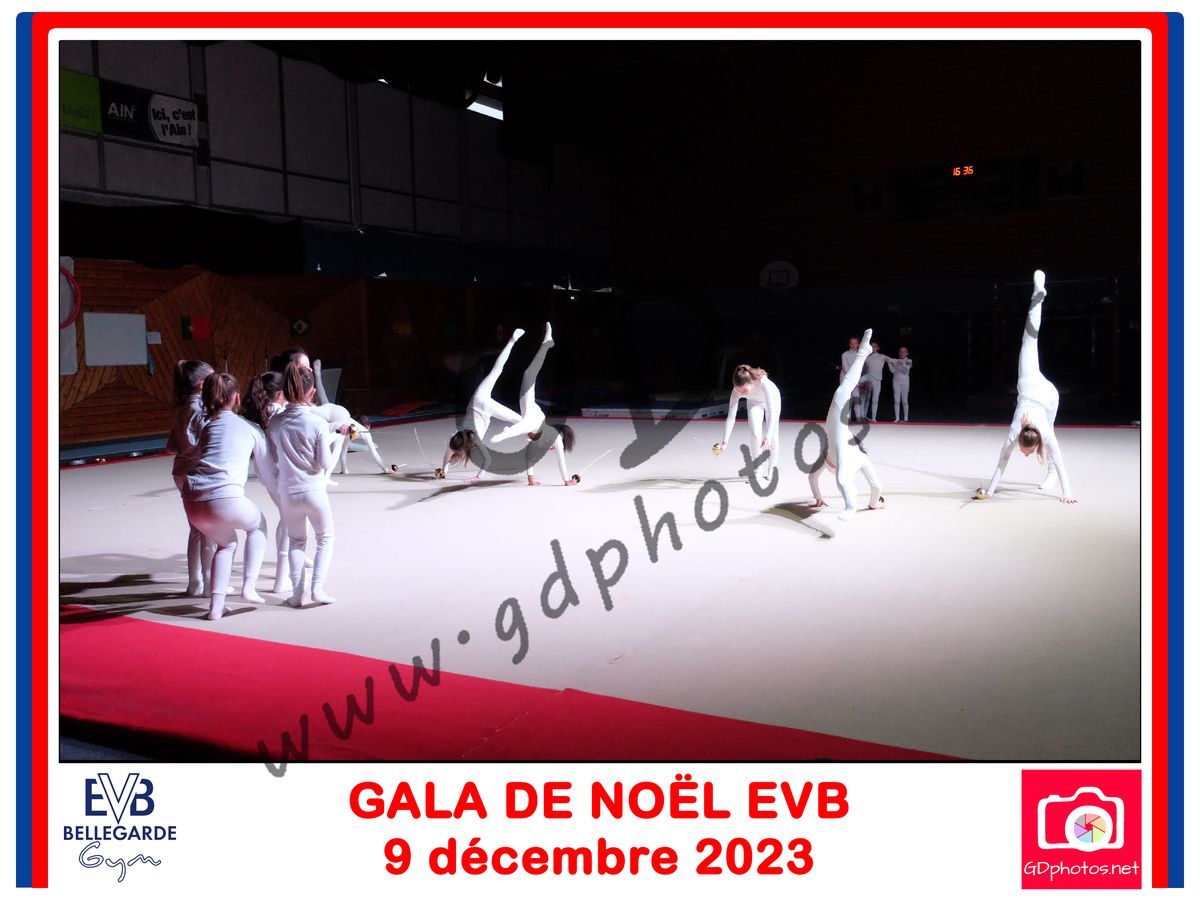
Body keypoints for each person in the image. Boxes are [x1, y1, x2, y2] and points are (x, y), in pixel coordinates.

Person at [975, 270, 1077, 503]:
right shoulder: (1025, 434)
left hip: (1039, 391)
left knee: (1030, 340)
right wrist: (989, 491)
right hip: (1043, 394)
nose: (1025, 454)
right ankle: (1037, 297)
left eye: (1025, 452)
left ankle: (1038, 296)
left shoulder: (1017, 434)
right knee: (1029, 339)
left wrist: (1068, 494)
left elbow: (1003, 462)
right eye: (1027, 451)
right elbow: (1002, 462)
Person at [183, 373, 275, 620]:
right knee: (258, 525)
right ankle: (249, 586)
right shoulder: (250, 428)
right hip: (223, 497)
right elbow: (266, 472)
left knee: (227, 543)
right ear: (236, 398)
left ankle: (216, 606)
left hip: (193, 499)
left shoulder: (206, 426)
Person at [266, 362, 350, 607]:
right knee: (325, 538)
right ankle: (317, 589)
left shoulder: (274, 423)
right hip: (313, 490)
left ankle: (296, 594)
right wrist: (332, 435)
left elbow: (274, 458)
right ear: (312, 393)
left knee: (296, 541)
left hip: (287, 491)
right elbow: (324, 462)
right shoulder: (317, 423)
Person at [808, 328, 885, 520]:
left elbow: (812, 477)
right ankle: (850, 507)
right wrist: (873, 504)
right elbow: (876, 486)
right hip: (838, 442)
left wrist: (818, 498)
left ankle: (850, 507)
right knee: (842, 393)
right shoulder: (860, 457)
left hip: (836, 444)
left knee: (842, 392)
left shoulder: (845, 453)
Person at [489, 323, 580, 486]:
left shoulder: (536, 445)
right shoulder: (556, 438)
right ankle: (547, 343)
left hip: (529, 412)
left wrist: (531, 479)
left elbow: (529, 457)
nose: (550, 448)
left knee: (527, 379)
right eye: (552, 447)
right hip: (534, 417)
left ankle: (547, 343)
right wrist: (567, 480)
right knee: (528, 375)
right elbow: (561, 461)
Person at [437, 327, 526, 480]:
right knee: (496, 371)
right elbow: (447, 456)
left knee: (520, 421)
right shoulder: (455, 438)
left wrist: (477, 478)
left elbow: (487, 460)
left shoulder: (472, 440)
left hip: (485, 408)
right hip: (477, 400)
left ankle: (543, 436)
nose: (456, 453)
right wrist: (443, 472)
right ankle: (512, 341)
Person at [241, 371, 295, 594]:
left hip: (267, 472)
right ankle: (282, 577)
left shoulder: (262, 410)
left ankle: (288, 567)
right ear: (281, 393)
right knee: (289, 519)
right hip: (279, 472)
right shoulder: (279, 413)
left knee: (287, 517)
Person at [167, 359, 215, 596]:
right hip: (196, 473)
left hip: (181, 471)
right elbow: (210, 441)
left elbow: (171, 446)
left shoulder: (181, 408)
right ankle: (209, 583)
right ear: (201, 385)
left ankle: (194, 581)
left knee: (196, 530)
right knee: (208, 531)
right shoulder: (200, 410)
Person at [715, 363, 782, 480]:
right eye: (739, 391)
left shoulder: (763, 383)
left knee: (773, 437)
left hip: (773, 401)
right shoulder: (736, 392)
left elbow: (772, 410)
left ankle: (772, 468)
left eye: (744, 390)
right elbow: (731, 417)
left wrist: (768, 436)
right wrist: (725, 442)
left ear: (751, 382)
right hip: (754, 402)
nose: (742, 394)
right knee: (755, 435)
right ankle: (758, 470)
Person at [862, 341, 889, 422]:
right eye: (872, 346)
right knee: (866, 398)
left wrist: (905, 363)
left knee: (875, 399)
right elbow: (863, 369)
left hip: (877, 380)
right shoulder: (866, 357)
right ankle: (864, 416)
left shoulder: (882, 356)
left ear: (878, 348)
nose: (873, 348)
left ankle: (874, 418)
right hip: (869, 379)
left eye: (875, 346)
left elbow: (893, 361)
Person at [888, 347, 914, 422]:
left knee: (904, 400)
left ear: (907, 353)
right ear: (899, 353)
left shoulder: (909, 361)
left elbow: (905, 371)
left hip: (905, 382)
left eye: (904, 351)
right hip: (896, 382)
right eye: (901, 351)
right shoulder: (896, 360)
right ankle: (897, 418)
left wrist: (901, 363)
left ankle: (906, 419)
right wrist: (889, 363)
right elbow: (893, 371)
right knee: (896, 401)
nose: (902, 353)